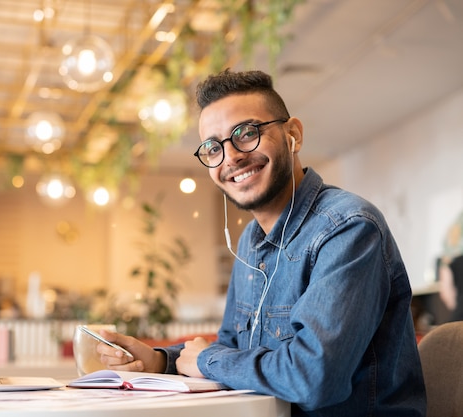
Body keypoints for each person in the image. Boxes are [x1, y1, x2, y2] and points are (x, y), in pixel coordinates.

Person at [97, 69, 426, 416]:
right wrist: (161, 359)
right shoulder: (252, 241)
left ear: (293, 135)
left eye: (247, 133)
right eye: (213, 147)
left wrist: (208, 359)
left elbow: (313, 377)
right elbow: (233, 349)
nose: (231, 157)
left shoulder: (348, 229)